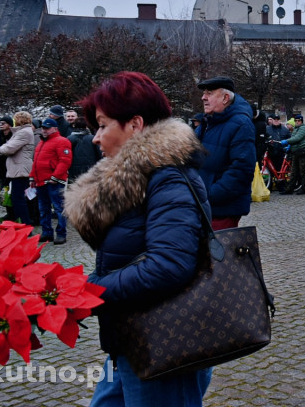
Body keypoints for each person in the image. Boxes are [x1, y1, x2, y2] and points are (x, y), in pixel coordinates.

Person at [65, 71, 213, 406]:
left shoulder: (167, 177)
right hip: (132, 337)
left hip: (164, 341)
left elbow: (168, 265)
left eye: (103, 125)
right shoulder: (138, 178)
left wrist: (91, 291)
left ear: (134, 125)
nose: (95, 138)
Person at [194, 76, 256, 230]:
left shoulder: (241, 123)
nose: (203, 97)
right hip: (203, 206)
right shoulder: (208, 121)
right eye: (204, 93)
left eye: (209, 93)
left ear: (225, 98)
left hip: (221, 210)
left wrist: (210, 194)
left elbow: (242, 170)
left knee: (218, 253)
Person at [31, 117, 72, 244]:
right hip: (42, 181)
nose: (44, 130)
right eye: (43, 128)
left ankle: (61, 233)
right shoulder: (41, 143)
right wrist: (32, 177)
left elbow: (65, 161)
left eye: (47, 128)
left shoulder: (61, 141)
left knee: (58, 208)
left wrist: (55, 177)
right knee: (44, 208)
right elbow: (36, 162)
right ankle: (47, 232)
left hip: (53, 181)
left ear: (55, 129)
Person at [0, 111, 35, 226]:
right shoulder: (24, 132)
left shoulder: (23, 133)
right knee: (19, 198)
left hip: (20, 169)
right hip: (20, 168)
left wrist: (0, 149)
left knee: (18, 199)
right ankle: (24, 223)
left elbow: (9, 148)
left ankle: (25, 224)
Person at [280, 114, 305, 194]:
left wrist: (287, 141)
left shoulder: (303, 128)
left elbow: (297, 138)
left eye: (299, 121)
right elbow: (293, 138)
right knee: (294, 172)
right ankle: (289, 189)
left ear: (302, 121)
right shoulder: (295, 129)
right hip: (296, 153)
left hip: (302, 152)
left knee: (303, 171)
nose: (297, 122)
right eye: (296, 121)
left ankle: (304, 189)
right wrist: (289, 146)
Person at [68, 117, 102, 182]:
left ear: (74, 125)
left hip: (73, 171)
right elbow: (99, 154)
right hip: (91, 170)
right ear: (86, 126)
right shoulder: (92, 138)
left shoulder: (69, 139)